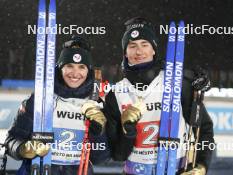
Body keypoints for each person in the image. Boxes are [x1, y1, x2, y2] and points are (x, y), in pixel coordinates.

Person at [101, 17, 214, 175]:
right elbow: (118, 155)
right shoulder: (116, 94)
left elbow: (204, 129)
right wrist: (128, 131)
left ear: (154, 49)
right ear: (125, 53)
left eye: (144, 45)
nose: (139, 51)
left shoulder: (177, 84)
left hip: (176, 169)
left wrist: (202, 165)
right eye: (132, 46)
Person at [5, 36, 109, 175]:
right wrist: (23, 148)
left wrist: (98, 133)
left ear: (88, 70)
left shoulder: (96, 103)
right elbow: (11, 140)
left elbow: (100, 158)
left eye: (81, 67)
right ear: (60, 68)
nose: (75, 73)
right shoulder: (40, 99)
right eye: (69, 66)